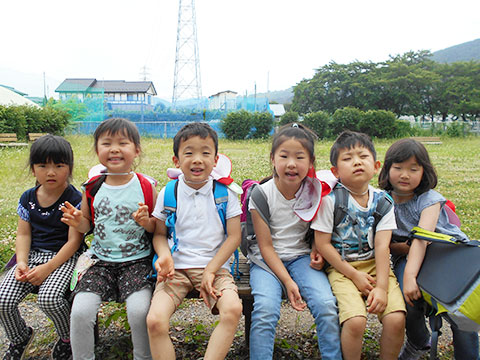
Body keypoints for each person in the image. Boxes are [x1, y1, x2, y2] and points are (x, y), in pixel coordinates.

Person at [61, 118, 156, 360]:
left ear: (136, 150)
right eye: (106, 143)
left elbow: (158, 228)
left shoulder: (146, 186)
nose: (114, 149)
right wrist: (77, 220)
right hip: (99, 262)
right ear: (97, 151)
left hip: (137, 262)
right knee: (80, 312)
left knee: (139, 311)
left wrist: (147, 222)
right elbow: (88, 225)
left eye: (123, 143)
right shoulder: (92, 186)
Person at [146, 122, 243, 360]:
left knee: (233, 309)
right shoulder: (170, 192)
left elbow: (234, 237)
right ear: (177, 160)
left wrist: (210, 270)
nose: (197, 159)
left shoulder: (226, 194)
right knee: (155, 321)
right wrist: (165, 256)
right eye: (189, 153)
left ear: (216, 159)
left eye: (205, 153)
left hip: (215, 269)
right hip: (175, 271)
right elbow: (159, 234)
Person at [378, 138, 479, 360]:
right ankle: (418, 339)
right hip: (408, 256)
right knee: (408, 298)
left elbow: (422, 238)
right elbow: (382, 241)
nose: (405, 175)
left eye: (413, 169)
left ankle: (468, 355)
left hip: (447, 254)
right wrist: (402, 254)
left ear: (425, 172)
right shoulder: (382, 200)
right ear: (387, 169)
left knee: (458, 307)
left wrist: (411, 276)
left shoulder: (429, 199)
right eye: (398, 168)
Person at [248, 123, 342, 360]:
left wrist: (315, 249)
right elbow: (266, 247)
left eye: (299, 157)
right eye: (284, 156)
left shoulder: (316, 192)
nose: (291, 163)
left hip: (301, 258)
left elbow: (316, 232)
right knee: (265, 310)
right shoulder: (260, 194)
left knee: (326, 305)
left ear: (310, 163)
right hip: (265, 263)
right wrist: (288, 282)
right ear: (273, 159)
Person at [313, 131, 406, 360]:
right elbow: (323, 245)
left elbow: (383, 247)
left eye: (363, 156)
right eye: (347, 158)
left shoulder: (383, 201)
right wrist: (354, 275)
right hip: (342, 270)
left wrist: (382, 288)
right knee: (355, 321)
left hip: (376, 267)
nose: (356, 162)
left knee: (396, 319)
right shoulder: (330, 200)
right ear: (335, 171)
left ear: (375, 166)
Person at [0, 135, 83, 360]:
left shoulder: (74, 199)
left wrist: (48, 268)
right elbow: (23, 233)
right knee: (3, 298)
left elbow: (74, 242)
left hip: (64, 258)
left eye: (59, 165)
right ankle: (20, 337)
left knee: (50, 298)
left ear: (69, 167)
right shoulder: (28, 198)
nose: (51, 172)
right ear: (33, 168)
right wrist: (22, 262)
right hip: (32, 256)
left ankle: (68, 337)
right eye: (43, 165)